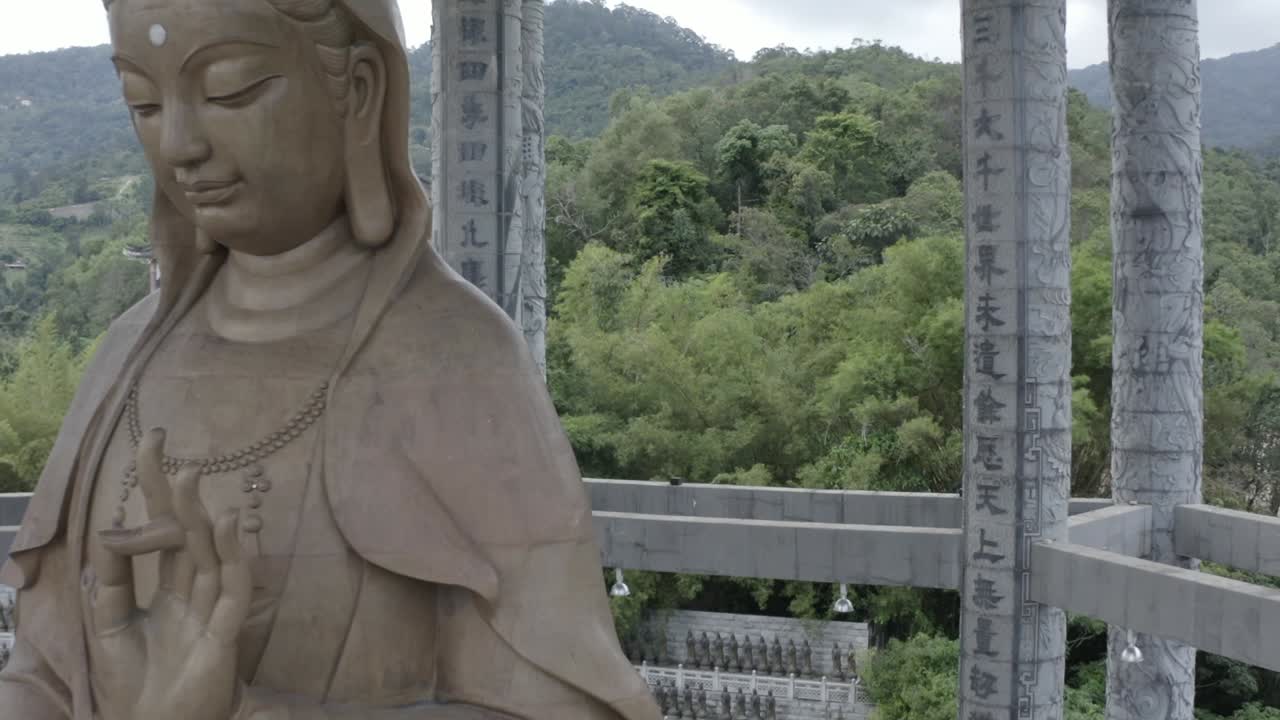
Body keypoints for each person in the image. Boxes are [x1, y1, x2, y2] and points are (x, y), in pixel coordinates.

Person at [0, 1, 658, 718]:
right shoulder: (127, 352)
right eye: (145, 104)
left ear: (361, 89)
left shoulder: (453, 355)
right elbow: (39, 674)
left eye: (231, 91)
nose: (181, 145)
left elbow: (572, 709)